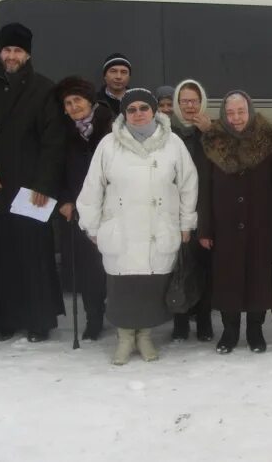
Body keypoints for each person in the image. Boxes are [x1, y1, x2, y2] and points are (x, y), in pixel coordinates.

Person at [0, 22, 66, 343]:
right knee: (0, 254)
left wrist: (41, 187)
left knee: (33, 256)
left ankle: (38, 321)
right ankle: (3, 319)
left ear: (27, 54)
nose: (11, 56)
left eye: (17, 51)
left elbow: (54, 143)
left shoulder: (44, 89)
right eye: (7, 50)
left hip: (32, 189)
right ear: (0, 52)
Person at [76, 88, 198, 365]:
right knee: (122, 288)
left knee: (150, 288)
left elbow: (188, 185)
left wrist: (186, 222)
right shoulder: (108, 144)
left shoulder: (173, 143)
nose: (138, 113)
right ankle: (124, 337)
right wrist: (92, 227)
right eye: (132, 109)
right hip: (122, 229)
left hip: (158, 228)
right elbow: (92, 187)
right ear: (124, 113)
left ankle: (144, 336)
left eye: (144, 108)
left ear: (154, 111)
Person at [197, 91, 272, 354]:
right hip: (224, 225)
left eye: (241, 111)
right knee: (228, 278)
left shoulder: (268, 141)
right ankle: (229, 331)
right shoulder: (213, 143)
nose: (236, 118)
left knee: (258, 278)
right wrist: (205, 228)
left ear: (250, 111)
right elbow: (204, 189)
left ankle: (255, 330)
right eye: (230, 112)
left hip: (260, 223)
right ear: (223, 115)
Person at [56, 76, 114, 340]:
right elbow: (59, 170)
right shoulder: (63, 131)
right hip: (81, 208)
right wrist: (65, 199)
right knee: (88, 267)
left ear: (89, 100)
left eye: (77, 100)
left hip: (113, 206)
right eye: (67, 103)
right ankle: (94, 318)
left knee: (113, 264)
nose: (73, 107)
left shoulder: (111, 124)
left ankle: (122, 314)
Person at [169, 79, 215, 342]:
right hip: (174, 210)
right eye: (184, 101)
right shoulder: (167, 131)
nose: (189, 105)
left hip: (205, 207)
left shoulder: (210, 129)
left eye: (194, 101)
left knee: (204, 265)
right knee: (178, 266)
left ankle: (205, 320)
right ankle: (180, 319)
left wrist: (210, 132)